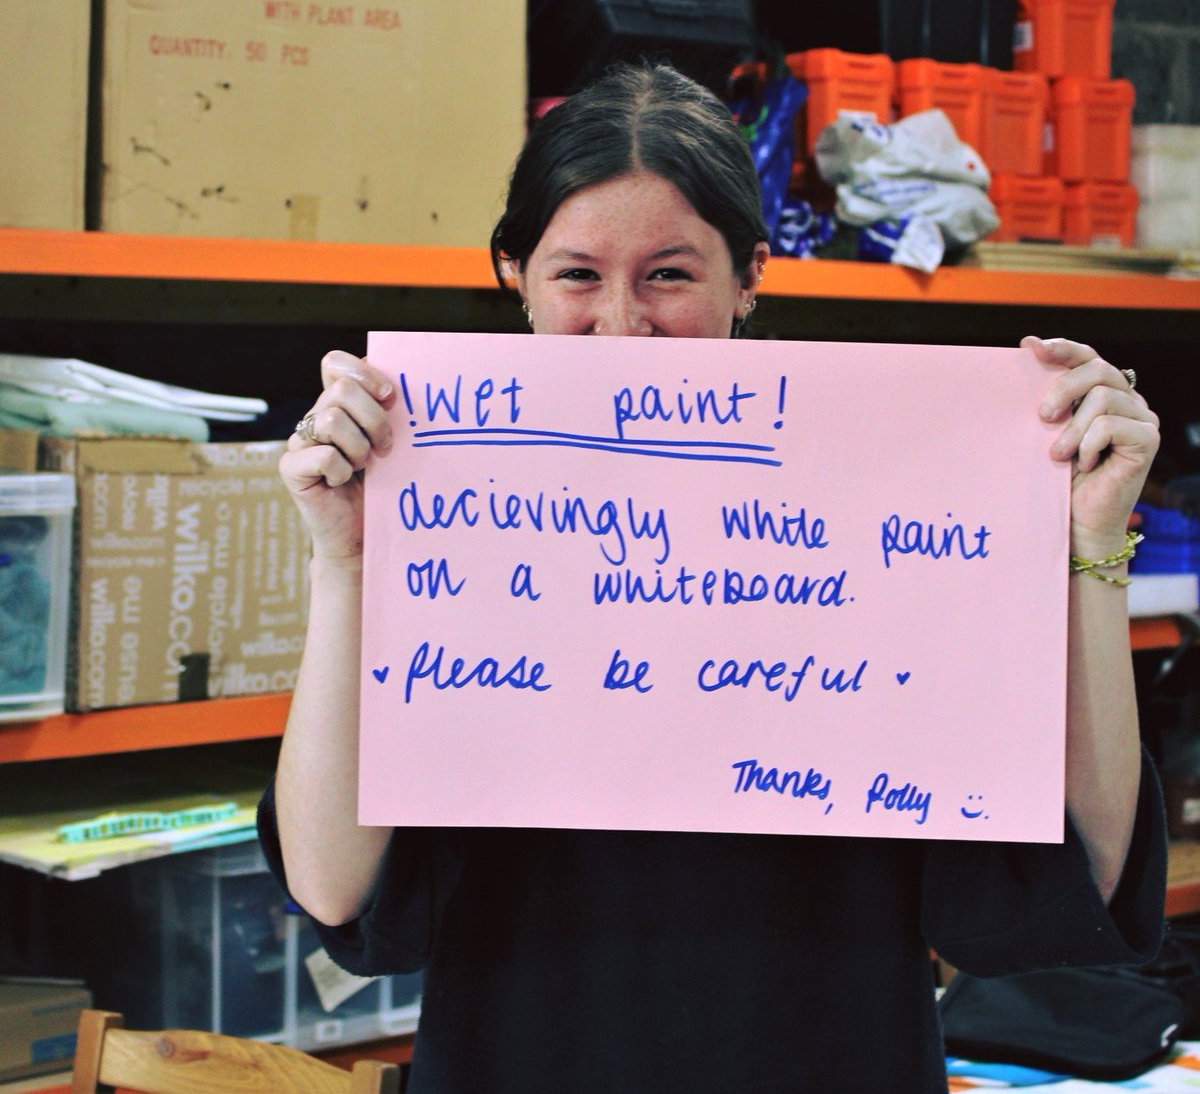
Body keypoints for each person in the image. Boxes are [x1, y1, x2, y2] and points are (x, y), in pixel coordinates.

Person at [259, 63, 1167, 1093]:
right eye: (575, 276)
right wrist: (346, 565)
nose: (621, 325)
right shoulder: (449, 512)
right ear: (514, 274)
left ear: (750, 279)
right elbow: (335, 889)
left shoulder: (884, 494)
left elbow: (1075, 880)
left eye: (669, 275)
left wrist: (1092, 549)